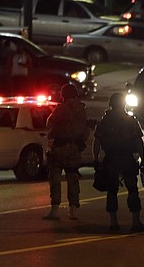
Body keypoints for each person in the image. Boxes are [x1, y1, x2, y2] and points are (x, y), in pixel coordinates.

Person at [93, 93, 144, 232]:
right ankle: (136, 222)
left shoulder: (104, 122)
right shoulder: (130, 121)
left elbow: (97, 142)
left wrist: (95, 159)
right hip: (127, 158)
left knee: (112, 191)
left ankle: (113, 222)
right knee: (132, 189)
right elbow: (138, 141)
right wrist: (143, 159)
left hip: (111, 159)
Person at [43, 84, 89, 221]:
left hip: (59, 147)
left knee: (55, 179)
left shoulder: (61, 108)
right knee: (73, 178)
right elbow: (85, 128)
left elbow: (49, 123)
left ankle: (55, 209)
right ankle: (73, 209)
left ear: (63, 95)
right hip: (75, 147)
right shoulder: (82, 109)